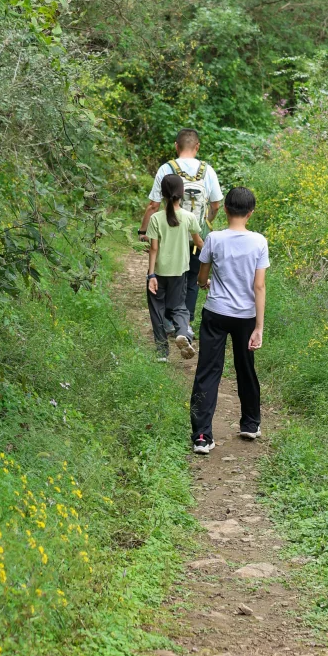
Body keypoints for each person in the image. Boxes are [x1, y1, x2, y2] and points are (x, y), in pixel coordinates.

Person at [189, 186, 268, 454]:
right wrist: (259, 327)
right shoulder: (259, 242)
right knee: (245, 369)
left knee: (208, 371)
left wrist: (204, 283)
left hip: (216, 313)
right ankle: (249, 423)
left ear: (225, 210)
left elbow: (202, 276)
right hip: (246, 316)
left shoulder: (214, 238)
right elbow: (259, 287)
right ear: (251, 213)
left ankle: (202, 436)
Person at [139, 127, 222, 325]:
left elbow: (153, 205)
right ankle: (186, 323)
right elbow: (216, 204)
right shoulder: (207, 170)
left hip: (168, 235)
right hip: (195, 237)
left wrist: (143, 231)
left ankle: (168, 322)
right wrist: (204, 223)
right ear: (197, 146)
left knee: (168, 277)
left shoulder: (166, 168)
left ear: (176, 146)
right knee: (192, 279)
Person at [145, 173, 203, 362]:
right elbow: (199, 243)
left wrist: (151, 275)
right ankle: (182, 332)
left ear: (162, 194)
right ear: (182, 193)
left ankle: (162, 352)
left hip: (159, 272)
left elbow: (154, 249)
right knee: (179, 307)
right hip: (180, 272)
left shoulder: (155, 219)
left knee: (157, 309)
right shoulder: (189, 217)